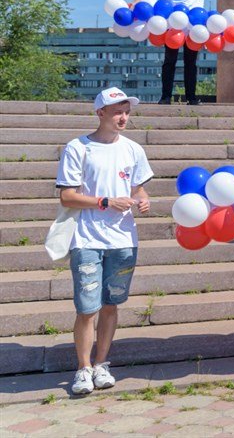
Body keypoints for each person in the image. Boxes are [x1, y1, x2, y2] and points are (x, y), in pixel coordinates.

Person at [55, 87, 153, 396]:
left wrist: (143, 200)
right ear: (101, 114)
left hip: (123, 239)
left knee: (111, 305)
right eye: (117, 111)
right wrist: (105, 202)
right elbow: (67, 196)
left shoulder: (133, 149)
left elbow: (138, 189)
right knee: (87, 308)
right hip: (86, 239)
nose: (123, 117)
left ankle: (101, 364)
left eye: (127, 111)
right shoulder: (77, 148)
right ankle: (83, 369)